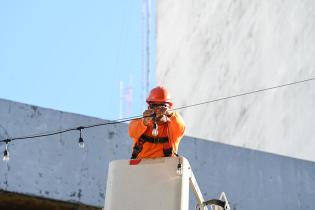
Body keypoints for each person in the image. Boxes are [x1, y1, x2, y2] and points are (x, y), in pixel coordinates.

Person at [129, 86, 186, 159]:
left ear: (169, 108)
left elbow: (181, 127)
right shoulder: (139, 123)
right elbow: (132, 132)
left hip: (165, 168)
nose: (158, 110)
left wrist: (170, 114)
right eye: (154, 106)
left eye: (163, 105)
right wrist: (145, 122)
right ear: (149, 107)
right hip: (140, 167)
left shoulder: (172, 127)